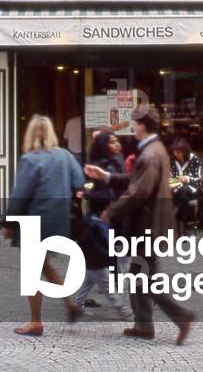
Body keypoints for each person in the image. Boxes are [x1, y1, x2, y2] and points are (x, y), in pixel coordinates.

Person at [85, 105, 195, 345]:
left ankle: (182, 316)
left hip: (147, 226)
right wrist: (106, 176)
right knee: (138, 275)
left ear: (142, 125)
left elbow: (137, 191)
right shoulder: (153, 150)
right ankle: (143, 324)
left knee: (145, 278)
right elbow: (136, 181)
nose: (131, 127)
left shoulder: (150, 154)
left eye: (134, 123)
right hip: (149, 224)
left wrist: (110, 212)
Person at [3, 114, 84, 335]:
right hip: (58, 221)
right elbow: (79, 183)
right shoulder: (65, 156)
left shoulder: (30, 160)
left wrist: (8, 222)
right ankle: (70, 305)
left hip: (35, 221)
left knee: (32, 270)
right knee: (43, 265)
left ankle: (35, 322)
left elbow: (20, 196)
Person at [74, 131, 129, 317]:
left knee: (97, 265)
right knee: (99, 263)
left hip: (113, 218)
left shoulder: (116, 160)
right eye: (112, 142)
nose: (117, 144)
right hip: (102, 220)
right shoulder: (102, 164)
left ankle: (77, 303)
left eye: (117, 141)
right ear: (104, 145)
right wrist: (88, 194)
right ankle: (121, 305)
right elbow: (107, 194)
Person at [169, 137, 202, 234]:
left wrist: (187, 178)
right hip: (175, 189)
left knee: (183, 191)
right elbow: (168, 177)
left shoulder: (194, 159)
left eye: (179, 152)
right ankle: (181, 227)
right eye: (174, 152)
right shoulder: (171, 160)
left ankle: (178, 225)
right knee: (181, 193)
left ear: (184, 151)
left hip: (192, 188)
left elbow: (199, 178)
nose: (176, 154)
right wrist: (176, 179)